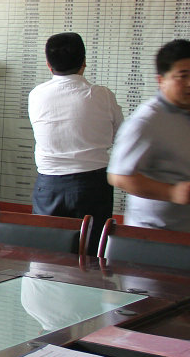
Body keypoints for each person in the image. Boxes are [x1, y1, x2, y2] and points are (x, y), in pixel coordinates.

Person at [108, 39, 190, 234]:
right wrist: (171, 192)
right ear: (161, 80)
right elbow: (119, 176)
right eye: (183, 76)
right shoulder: (146, 121)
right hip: (158, 237)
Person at [28, 32, 123, 249]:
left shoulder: (36, 95)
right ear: (84, 62)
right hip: (93, 186)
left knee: (46, 254)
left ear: (49, 65)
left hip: (49, 185)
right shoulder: (103, 95)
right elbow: (119, 135)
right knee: (91, 253)